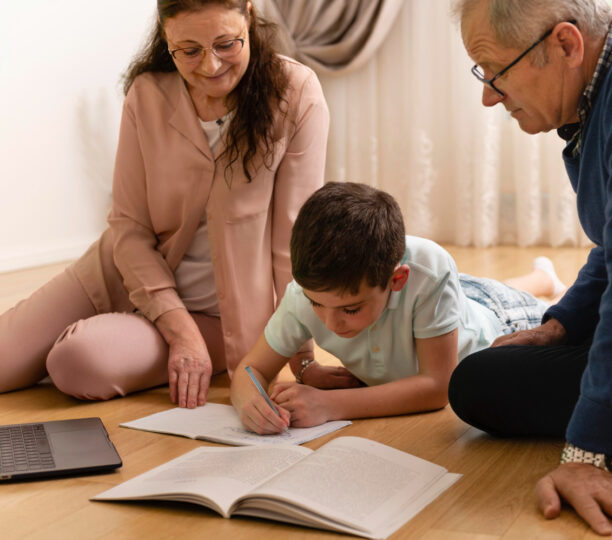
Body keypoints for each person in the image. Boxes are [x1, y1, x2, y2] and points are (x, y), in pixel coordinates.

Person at [450, 0, 612, 535]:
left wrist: (590, 453)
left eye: (496, 73)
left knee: (479, 385)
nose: (487, 97)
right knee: (490, 370)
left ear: (567, 44)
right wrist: (561, 325)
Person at [0, 0, 329, 409]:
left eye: (226, 44)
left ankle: (111, 340)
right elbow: (129, 227)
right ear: (165, 35)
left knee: (75, 362)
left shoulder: (296, 93)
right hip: (119, 273)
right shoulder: (147, 94)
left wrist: (302, 359)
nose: (210, 66)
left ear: (248, 13)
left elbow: (294, 244)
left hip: (218, 317)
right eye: (189, 51)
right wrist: (180, 333)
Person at [230, 181, 565, 433]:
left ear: (397, 279)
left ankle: (546, 281)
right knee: (472, 287)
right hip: (452, 296)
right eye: (316, 303)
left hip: (494, 319)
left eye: (350, 310)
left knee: (554, 312)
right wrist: (250, 401)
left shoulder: (429, 271)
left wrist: (331, 404)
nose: (331, 323)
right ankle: (542, 276)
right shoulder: (307, 291)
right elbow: (251, 369)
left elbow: (437, 387)